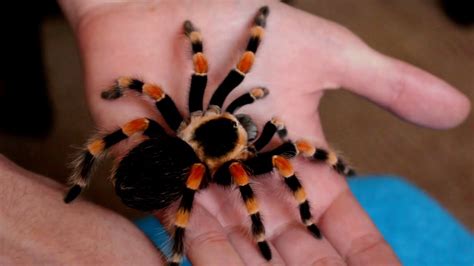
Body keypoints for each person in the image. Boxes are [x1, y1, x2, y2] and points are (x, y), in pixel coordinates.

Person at [1, 1, 470, 265]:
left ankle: (83, 176)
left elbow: (184, 74)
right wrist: (269, 226)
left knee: (144, 120)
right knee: (292, 162)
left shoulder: (189, 116)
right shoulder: (238, 161)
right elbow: (261, 162)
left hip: (173, 160)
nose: (245, 124)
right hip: (177, 172)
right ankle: (99, 187)